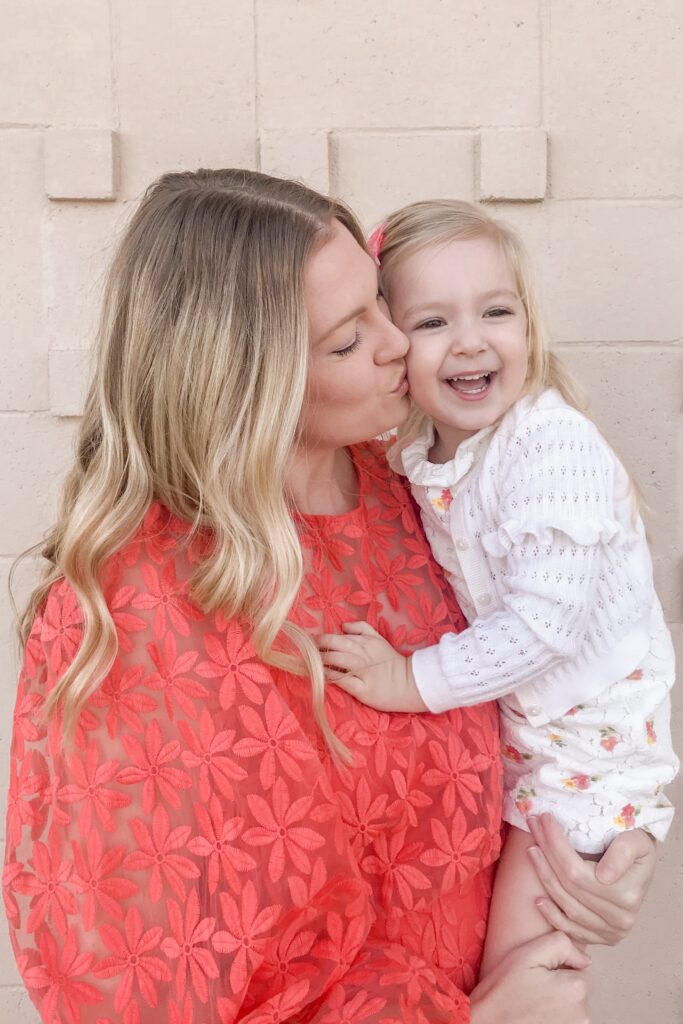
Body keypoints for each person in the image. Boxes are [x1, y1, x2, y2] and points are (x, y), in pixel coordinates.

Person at [3, 171, 658, 1024]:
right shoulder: (145, 611)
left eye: (385, 305)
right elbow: (144, 994)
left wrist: (607, 840)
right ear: (249, 380)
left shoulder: (419, 495)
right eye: (350, 339)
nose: (401, 347)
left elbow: (543, 693)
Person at [319, 199, 678, 973]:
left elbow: (543, 625)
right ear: (388, 345)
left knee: (519, 983)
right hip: (528, 759)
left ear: (529, 326)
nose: (471, 340)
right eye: (431, 322)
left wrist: (409, 680)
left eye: (495, 310)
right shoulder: (424, 459)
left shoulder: (551, 447)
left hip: (583, 772)